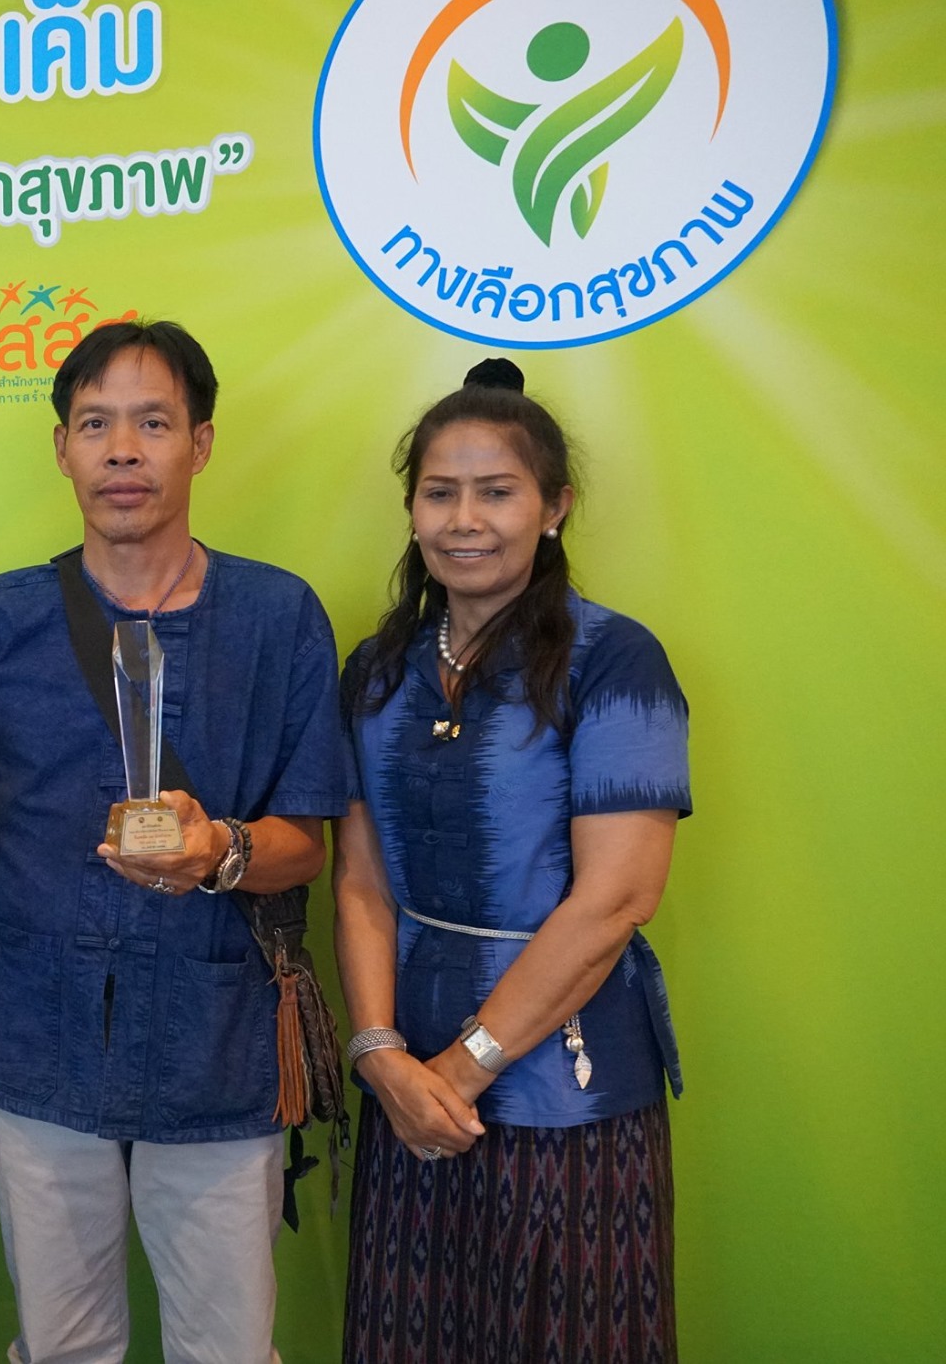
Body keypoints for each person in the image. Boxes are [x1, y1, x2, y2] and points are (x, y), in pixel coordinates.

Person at [0, 320, 348, 1364]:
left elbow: (307, 841)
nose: (123, 450)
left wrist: (218, 851)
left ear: (199, 444)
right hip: (45, 1045)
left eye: (152, 423)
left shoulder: (277, 617)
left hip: (219, 1046)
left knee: (228, 1349)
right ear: (61, 448)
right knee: (62, 1345)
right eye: (95, 425)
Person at [333, 358, 689, 1363]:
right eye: (439, 493)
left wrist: (460, 1069)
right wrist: (380, 1057)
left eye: (496, 492)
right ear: (410, 511)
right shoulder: (377, 670)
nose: (464, 520)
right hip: (405, 1086)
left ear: (554, 508)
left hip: (564, 1093)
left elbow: (617, 897)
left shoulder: (614, 660)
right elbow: (359, 881)